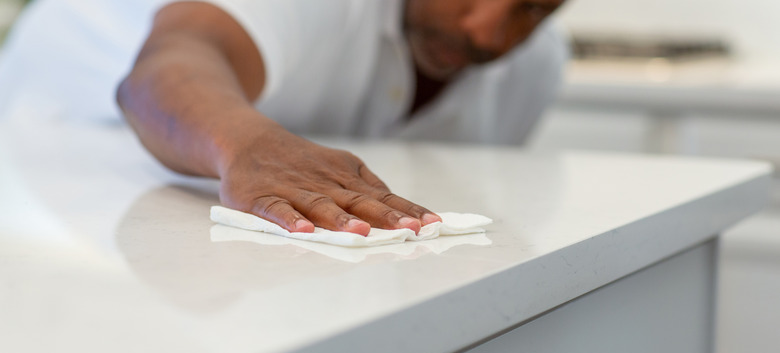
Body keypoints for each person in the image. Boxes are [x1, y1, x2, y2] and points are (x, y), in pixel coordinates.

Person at [0, 0, 568, 235]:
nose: (486, 31)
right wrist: (249, 143)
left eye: (533, 7)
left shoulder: (534, 70)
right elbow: (164, 73)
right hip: (46, 156)